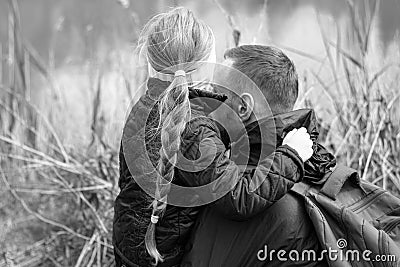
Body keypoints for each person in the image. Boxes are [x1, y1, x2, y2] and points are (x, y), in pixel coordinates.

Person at [113, 8, 313, 267]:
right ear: (205, 66)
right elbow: (238, 198)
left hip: (129, 244)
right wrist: (291, 156)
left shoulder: (144, 106)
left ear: (151, 63)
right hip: (164, 257)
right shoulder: (195, 128)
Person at [182, 45, 335, 267]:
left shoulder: (238, 198)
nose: (207, 102)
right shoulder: (318, 167)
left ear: (243, 108)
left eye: (215, 93)